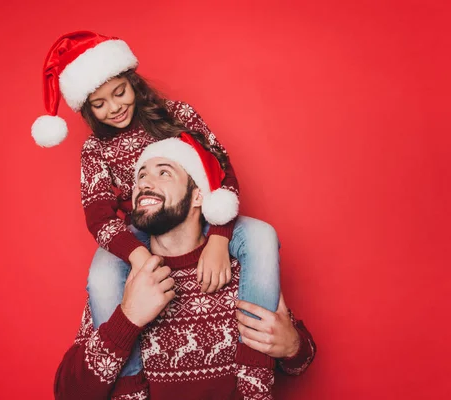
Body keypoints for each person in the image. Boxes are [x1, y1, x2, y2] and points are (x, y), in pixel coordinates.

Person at [32, 31, 280, 378]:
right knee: (102, 272)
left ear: (132, 81)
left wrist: (221, 237)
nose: (115, 107)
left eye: (119, 92)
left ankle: (255, 368)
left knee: (261, 235)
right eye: (100, 103)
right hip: (143, 230)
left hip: (200, 213)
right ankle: (129, 382)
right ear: (86, 110)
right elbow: (99, 216)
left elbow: (221, 171)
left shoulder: (178, 114)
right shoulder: (95, 150)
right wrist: (139, 256)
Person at [53, 135, 316, 399]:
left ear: (198, 195)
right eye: (140, 176)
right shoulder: (120, 281)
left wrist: (292, 345)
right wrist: (128, 318)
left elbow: (300, 363)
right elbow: (68, 394)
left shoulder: (244, 270)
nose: (143, 183)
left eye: (164, 172)